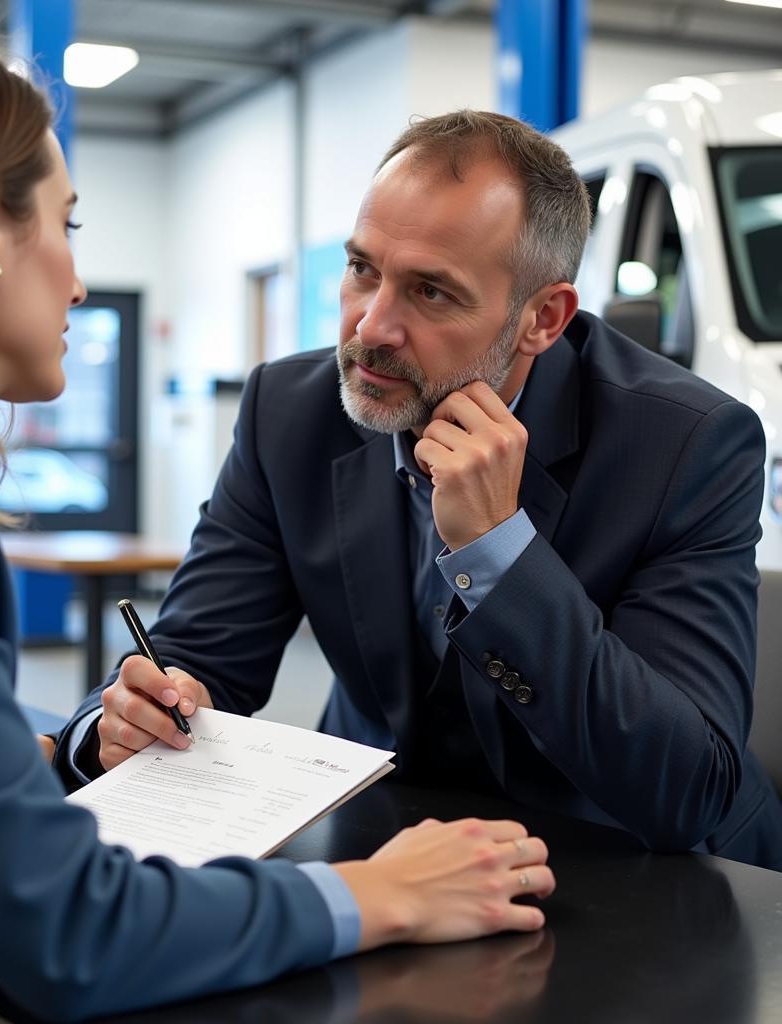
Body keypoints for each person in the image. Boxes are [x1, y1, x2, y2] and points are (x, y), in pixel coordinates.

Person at [0, 25, 558, 1024]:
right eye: (70, 225)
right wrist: (380, 891)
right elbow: (68, 928)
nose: (79, 281)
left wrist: (62, 748)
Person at [60, 109, 782, 870]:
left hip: (641, 874)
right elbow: (196, 653)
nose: (371, 327)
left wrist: (500, 551)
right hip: (390, 839)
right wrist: (131, 713)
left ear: (542, 318)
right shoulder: (291, 412)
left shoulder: (685, 442)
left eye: (431, 293)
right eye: (363, 269)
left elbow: (686, 787)